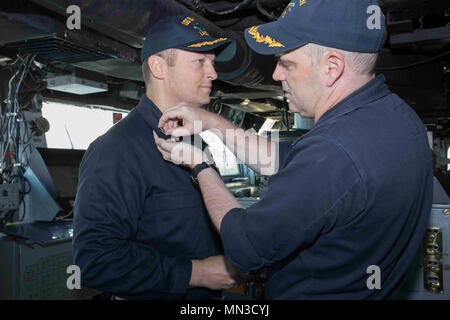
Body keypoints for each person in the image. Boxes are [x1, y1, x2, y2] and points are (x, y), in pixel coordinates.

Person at [154, 0, 433, 299]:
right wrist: (212, 122)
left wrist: (201, 165)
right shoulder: (396, 116)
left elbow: (246, 246)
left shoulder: (335, 150)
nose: (276, 75)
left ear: (332, 68)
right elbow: (279, 161)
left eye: (287, 63)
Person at [72, 15, 239, 300]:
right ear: (159, 67)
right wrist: (197, 273)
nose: (213, 73)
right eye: (200, 61)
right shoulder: (116, 150)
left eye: (212, 62)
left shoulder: (195, 141)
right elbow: (94, 261)